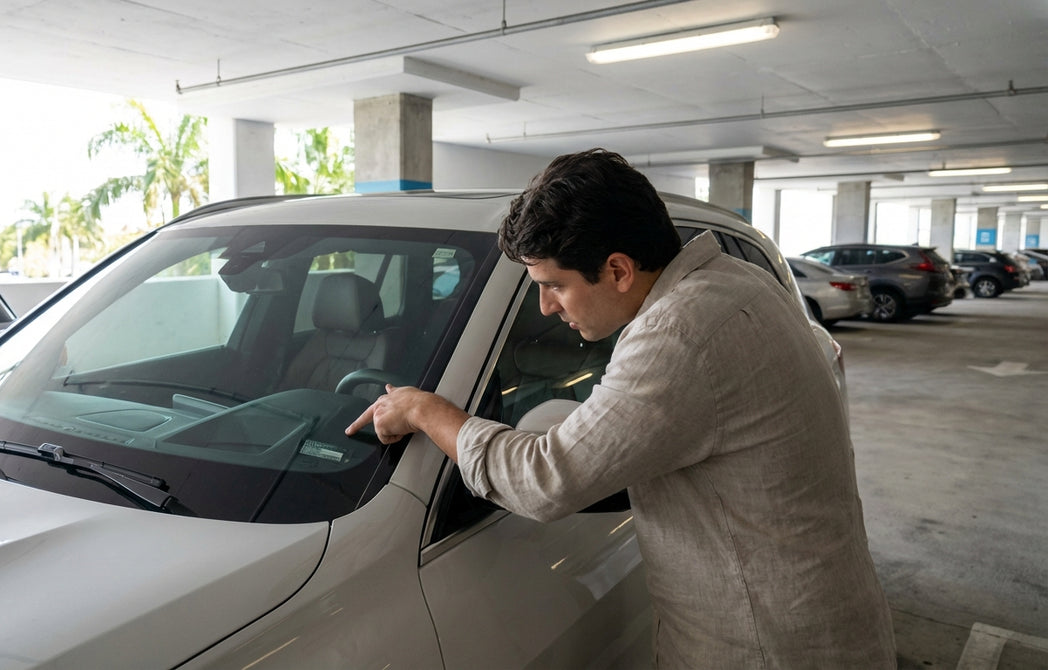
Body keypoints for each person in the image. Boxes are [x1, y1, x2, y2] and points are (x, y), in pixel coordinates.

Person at [346, 148, 896, 667]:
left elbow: (547, 477)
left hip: (760, 645)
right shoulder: (735, 280)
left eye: (553, 285)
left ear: (617, 270)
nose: (545, 305)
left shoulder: (677, 334)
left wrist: (424, 411)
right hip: (812, 620)